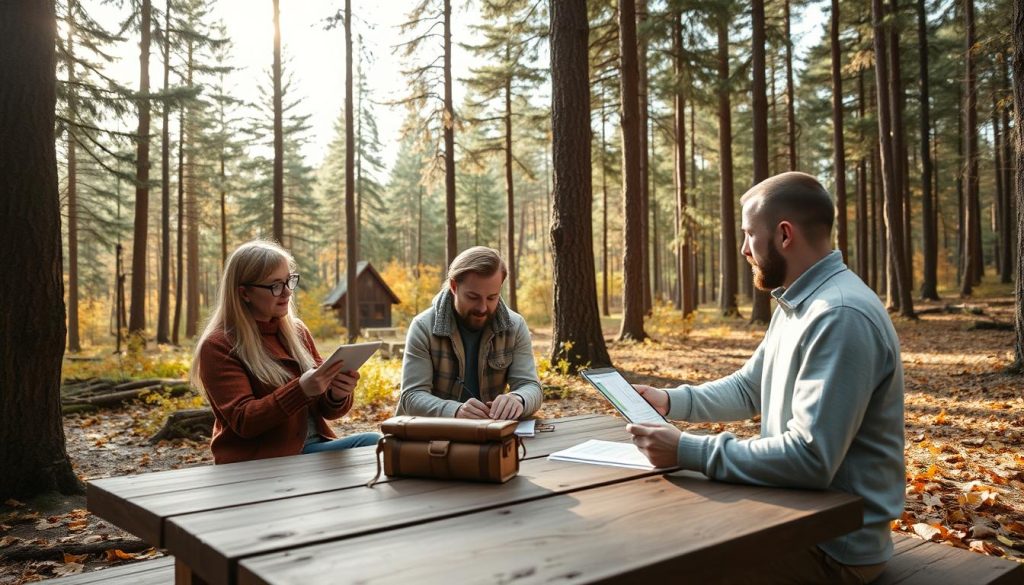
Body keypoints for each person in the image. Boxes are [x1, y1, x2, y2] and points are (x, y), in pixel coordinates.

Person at [627, 172, 904, 584]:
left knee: (665, 563)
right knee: (655, 533)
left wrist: (687, 450)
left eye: (749, 235)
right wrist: (670, 402)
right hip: (797, 519)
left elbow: (810, 459)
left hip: (833, 549)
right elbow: (748, 387)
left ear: (784, 234)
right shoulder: (800, 303)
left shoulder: (839, 315)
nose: (744, 249)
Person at [190, 239, 381, 464]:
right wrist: (301, 389)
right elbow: (244, 421)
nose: (287, 293)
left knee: (384, 444)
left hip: (311, 449)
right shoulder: (219, 345)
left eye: (289, 281)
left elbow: (327, 412)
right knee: (374, 444)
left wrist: (336, 394)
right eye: (275, 286)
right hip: (261, 460)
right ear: (244, 293)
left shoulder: (296, 331)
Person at [396, 246, 542, 420]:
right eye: (473, 297)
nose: (482, 308)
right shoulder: (423, 327)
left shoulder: (515, 326)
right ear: (453, 286)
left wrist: (518, 399)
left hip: (490, 435)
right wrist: (455, 411)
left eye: (491, 297)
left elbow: (531, 387)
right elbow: (411, 397)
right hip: (429, 438)